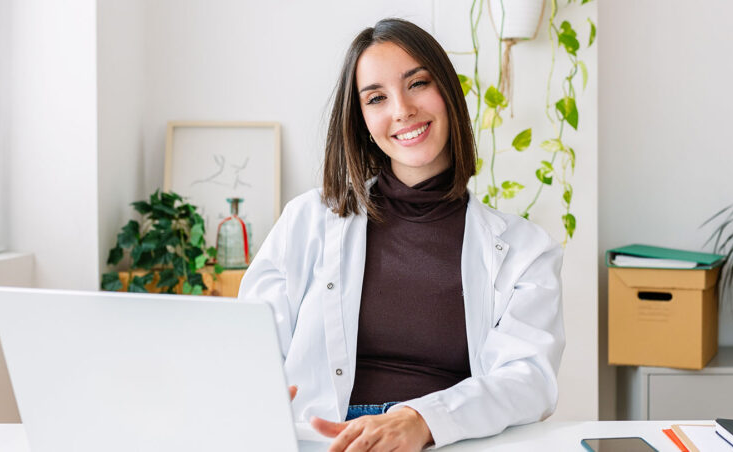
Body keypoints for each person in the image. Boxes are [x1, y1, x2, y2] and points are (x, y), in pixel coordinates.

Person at [238, 18, 565, 452]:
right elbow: (248, 346)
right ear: (363, 122)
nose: (402, 110)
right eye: (376, 98)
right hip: (320, 441)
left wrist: (421, 420)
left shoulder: (524, 249)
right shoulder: (307, 220)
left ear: (447, 91)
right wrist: (258, 395)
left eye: (417, 83)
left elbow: (530, 379)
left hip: (445, 440)